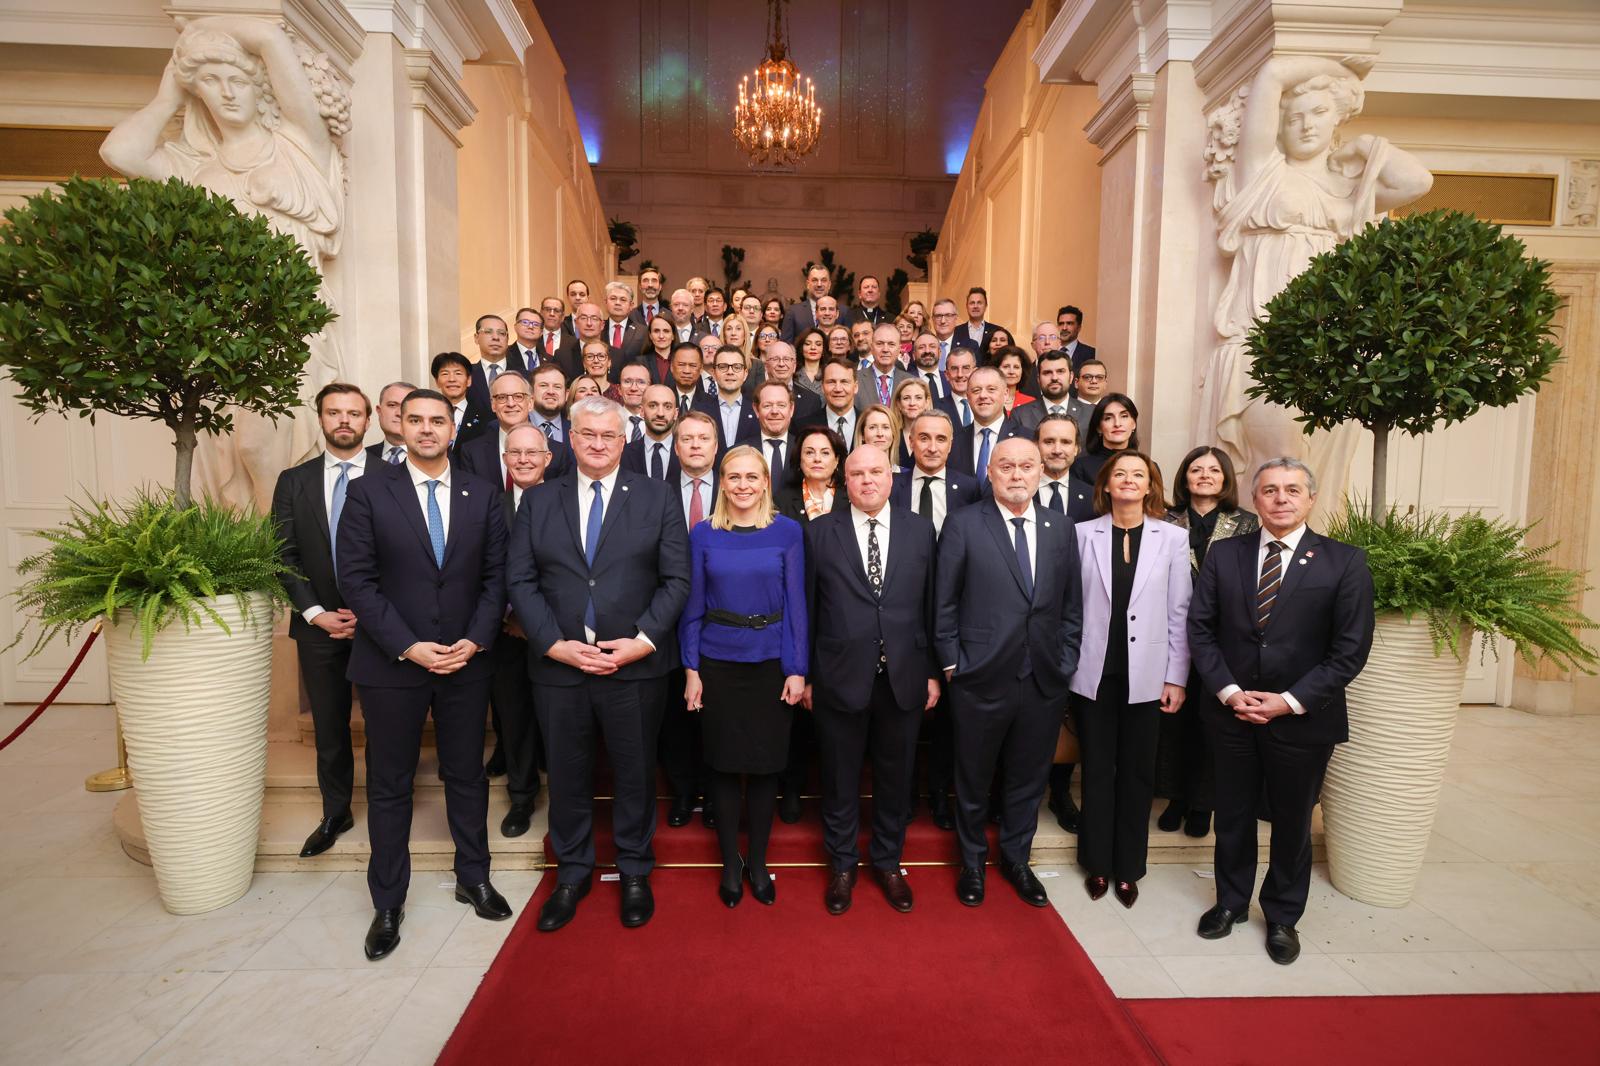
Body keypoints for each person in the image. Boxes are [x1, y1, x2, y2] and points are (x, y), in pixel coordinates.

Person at [335, 388, 511, 961]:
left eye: (438, 420)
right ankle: (387, 902)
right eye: (416, 420)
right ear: (398, 426)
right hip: (392, 665)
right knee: (390, 784)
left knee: (466, 775)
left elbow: (497, 578)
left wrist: (476, 638)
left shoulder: (483, 494)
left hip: (464, 662)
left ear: (453, 428)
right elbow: (356, 581)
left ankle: (474, 877)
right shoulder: (366, 493)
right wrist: (410, 646)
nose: (428, 429)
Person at [506, 396, 691, 933]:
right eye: (587, 434)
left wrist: (643, 640)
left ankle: (634, 870)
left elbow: (676, 579)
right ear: (569, 435)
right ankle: (572, 872)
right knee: (565, 773)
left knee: (634, 775)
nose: (597, 443)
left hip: (632, 667)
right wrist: (552, 643)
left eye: (609, 436)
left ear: (624, 439)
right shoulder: (539, 501)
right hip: (560, 667)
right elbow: (520, 580)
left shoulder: (657, 498)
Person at [1186, 457, 1375, 965]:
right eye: (1269, 490)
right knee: (1233, 815)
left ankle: (1284, 916)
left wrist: (1288, 702)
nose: (1281, 498)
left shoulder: (1344, 562)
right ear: (1255, 499)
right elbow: (1200, 631)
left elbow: (1350, 650)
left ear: (1310, 499)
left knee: (1292, 823)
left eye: (1292, 489)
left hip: (1302, 719)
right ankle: (1230, 903)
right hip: (1232, 713)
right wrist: (1228, 691)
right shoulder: (1225, 555)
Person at [936, 437, 1082, 907]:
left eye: (1026, 466)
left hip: (1042, 678)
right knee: (974, 778)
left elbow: (1072, 607)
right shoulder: (963, 524)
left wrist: (1065, 661)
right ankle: (973, 863)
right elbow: (944, 602)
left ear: (1041, 471)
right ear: (991, 473)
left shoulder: (1061, 529)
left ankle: (1018, 860)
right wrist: (954, 661)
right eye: (1007, 466)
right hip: (979, 676)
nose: (1017, 475)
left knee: (1028, 777)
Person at [806, 446, 939, 914]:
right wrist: (804, 675)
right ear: (845, 481)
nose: (867, 481)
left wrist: (931, 672)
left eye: (876, 472)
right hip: (838, 677)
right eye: (857, 474)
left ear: (891, 477)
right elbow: (808, 608)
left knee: (895, 778)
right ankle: (842, 865)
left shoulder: (921, 531)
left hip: (903, 677)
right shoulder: (820, 533)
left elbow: (930, 606)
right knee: (840, 778)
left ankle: (887, 861)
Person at [680, 447, 808, 906]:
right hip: (718, 662)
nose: (743, 485)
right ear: (722, 482)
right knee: (723, 764)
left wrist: (797, 669)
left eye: (752, 477)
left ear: (766, 482)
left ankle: (758, 861)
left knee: (766, 765)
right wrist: (691, 669)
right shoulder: (703, 534)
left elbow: (798, 606)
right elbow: (692, 607)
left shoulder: (788, 531)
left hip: (772, 663)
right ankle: (730, 866)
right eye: (734, 477)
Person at [1072, 452, 1192, 909]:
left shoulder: (1173, 539)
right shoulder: (1083, 534)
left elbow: (1181, 611)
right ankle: (1097, 863)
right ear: (1105, 485)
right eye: (1119, 473)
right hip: (1094, 672)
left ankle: (1129, 868)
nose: (1127, 480)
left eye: (1137, 475)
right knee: (1098, 771)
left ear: (1150, 487)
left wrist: (1176, 676)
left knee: (1139, 774)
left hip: (1149, 675)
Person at [273, 383, 370, 859]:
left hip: (381, 625)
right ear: (321, 418)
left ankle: (393, 802)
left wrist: (375, 613)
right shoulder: (295, 481)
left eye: (354, 413)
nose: (345, 421)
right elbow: (283, 554)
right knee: (330, 725)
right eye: (335, 412)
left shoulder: (393, 475)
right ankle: (336, 810)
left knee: (389, 722)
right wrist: (316, 613)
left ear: (369, 421)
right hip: (319, 625)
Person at [1157, 446, 1260, 837]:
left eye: (1213, 470)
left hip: (1224, 638)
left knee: (1213, 723)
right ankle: (1176, 797)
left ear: (1225, 478)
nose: (1204, 475)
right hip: (1174, 634)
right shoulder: (1165, 519)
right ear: (1184, 477)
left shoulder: (1248, 523)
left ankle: (1203, 803)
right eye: (1196, 469)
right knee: (1174, 723)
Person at [888, 409, 981, 830]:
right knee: (900, 712)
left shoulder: (972, 488)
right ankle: (904, 794)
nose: (931, 446)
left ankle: (940, 795)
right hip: (902, 613)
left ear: (951, 444)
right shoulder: (893, 485)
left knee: (950, 716)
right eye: (922, 437)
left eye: (940, 439)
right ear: (910, 442)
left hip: (956, 613)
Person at [660, 411, 720, 829]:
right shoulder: (655, 493)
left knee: (718, 714)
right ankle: (682, 793)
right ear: (675, 447)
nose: (696, 445)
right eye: (688, 439)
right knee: (674, 716)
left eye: (704, 438)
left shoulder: (735, 490)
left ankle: (716, 796)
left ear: (717, 447)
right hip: (667, 619)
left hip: (720, 620)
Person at [494, 424, 552, 836]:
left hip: (557, 634)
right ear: (506, 460)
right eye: (516, 453)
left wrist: (542, 621)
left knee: (559, 719)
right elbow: (482, 570)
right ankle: (521, 797)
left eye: (533, 452)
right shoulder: (487, 506)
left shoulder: (565, 500)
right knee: (514, 719)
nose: (524, 460)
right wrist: (509, 616)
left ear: (547, 458)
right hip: (507, 634)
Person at [950, 366, 1022, 485]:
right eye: (976, 390)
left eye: (991, 389)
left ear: (1005, 394)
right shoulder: (954, 441)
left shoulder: (1026, 438)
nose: (983, 395)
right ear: (968, 397)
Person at [776, 425, 849, 525]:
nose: (817, 459)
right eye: (809, 452)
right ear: (799, 459)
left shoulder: (851, 499)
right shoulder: (781, 501)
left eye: (825, 453)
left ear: (836, 460)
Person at [1013, 349, 1093, 437]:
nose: (1054, 377)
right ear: (1038, 379)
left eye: (1060, 371)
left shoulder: (1090, 413)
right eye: (1047, 373)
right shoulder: (1021, 414)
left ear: (1071, 377)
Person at [1035, 414, 1096, 523]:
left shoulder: (1092, 497)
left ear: (1076, 448)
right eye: (1049, 442)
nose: (1057, 450)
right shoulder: (1019, 489)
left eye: (1065, 442)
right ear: (1036, 445)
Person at [1073, 392, 1140, 485]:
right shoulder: (1081, 467)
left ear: (1134, 424)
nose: (1117, 424)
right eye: (1108, 418)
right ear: (1099, 427)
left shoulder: (1148, 466)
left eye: (1124, 416)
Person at [466, 314, 526, 413]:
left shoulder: (524, 376)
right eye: (488, 332)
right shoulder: (466, 375)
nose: (495, 337)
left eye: (501, 333)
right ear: (476, 338)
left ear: (507, 339)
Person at [622, 384, 681, 484]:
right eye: (653, 406)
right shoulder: (624, 454)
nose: (660, 413)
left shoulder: (687, 452)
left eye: (667, 407)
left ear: (675, 413)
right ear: (641, 411)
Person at [432, 351, 489, 448]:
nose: (452, 379)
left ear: (469, 380)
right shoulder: (429, 414)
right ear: (437, 381)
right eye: (445, 374)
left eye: (458, 373)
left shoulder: (486, 417)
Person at [709, 344, 759, 454]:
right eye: (723, 366)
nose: (730, 372)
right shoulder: (701, 411)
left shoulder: (758, 412)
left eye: (737, 367)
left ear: (745, 374)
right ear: (713, 374)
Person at [761, 340, 824, 426]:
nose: (781, 364)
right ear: (766, 366)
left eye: (786, 359)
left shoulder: (812, 400)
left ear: (794, 366)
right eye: (775, 359)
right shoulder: (752, 397)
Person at [857, 322, 914, 411]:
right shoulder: (855, 380)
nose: (885, 350)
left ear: (899, 349)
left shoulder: (911, 381)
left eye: (891, 344)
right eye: (880, 343)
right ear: (871, 347)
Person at [780, 263, 840, 342]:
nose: (819, 284)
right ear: (808, 284)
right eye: (815, 280)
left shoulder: (844, 312)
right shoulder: (793, 312)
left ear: (829, 285)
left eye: (823, 280)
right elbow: (785, 347)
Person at [368, 381, 415, 467]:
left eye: (406, 407)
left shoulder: (440, 457)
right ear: (379, 410)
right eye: (392, 405)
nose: (399, 413)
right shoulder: (362, 457)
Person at [819, 358, 861, 450]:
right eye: (831, 382)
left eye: (844, 382)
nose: (838, 389)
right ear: (822, 387)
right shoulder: (804, 426)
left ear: (855, 387)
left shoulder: (867, 423)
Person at [889, 377, 931, 468]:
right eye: (906, 398)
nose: (912, 403)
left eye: (918, 398)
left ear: (927, 402)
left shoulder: (935, 435)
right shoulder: (890, 435)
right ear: (898, 403)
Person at [602, 281, 644, 362]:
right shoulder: (598, 329)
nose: (617, 303)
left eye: (623, 300)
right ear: (605, 302)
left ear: (631, 305)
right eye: (613, 298)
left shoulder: (642, 332)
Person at [954, 287, 1003, 355]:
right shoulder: (956, 332)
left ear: (985, 306)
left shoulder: (996, 331)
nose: (975, 306)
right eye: (972, 303)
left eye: (979, 303)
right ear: (967, 306)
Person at [1057, 305, 1097, 374]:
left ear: (1079, 327)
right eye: (1061, 324)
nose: (1064, 328)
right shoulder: (1048, 351)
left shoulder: (1091, 354)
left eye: (1069, 323)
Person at [995, 346, 1034, 414]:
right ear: (996, 369)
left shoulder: (1030, 402)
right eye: (1006, 366)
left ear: (1022, 371)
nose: (1011, 372)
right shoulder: (988, 399)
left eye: (1016, 367)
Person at [641, 313, 677, 386]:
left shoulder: (682, 362)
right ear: (650, 335)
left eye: (666, 331)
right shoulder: (640, 362)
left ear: (673, 335)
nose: (661, 336)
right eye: (656, 331)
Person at [795, 327, 828, 395]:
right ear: (801, 348)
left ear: (823, 349)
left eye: (818, 344)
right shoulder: (793, 373)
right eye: (807, 344)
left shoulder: (829, 373)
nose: (813, 347)